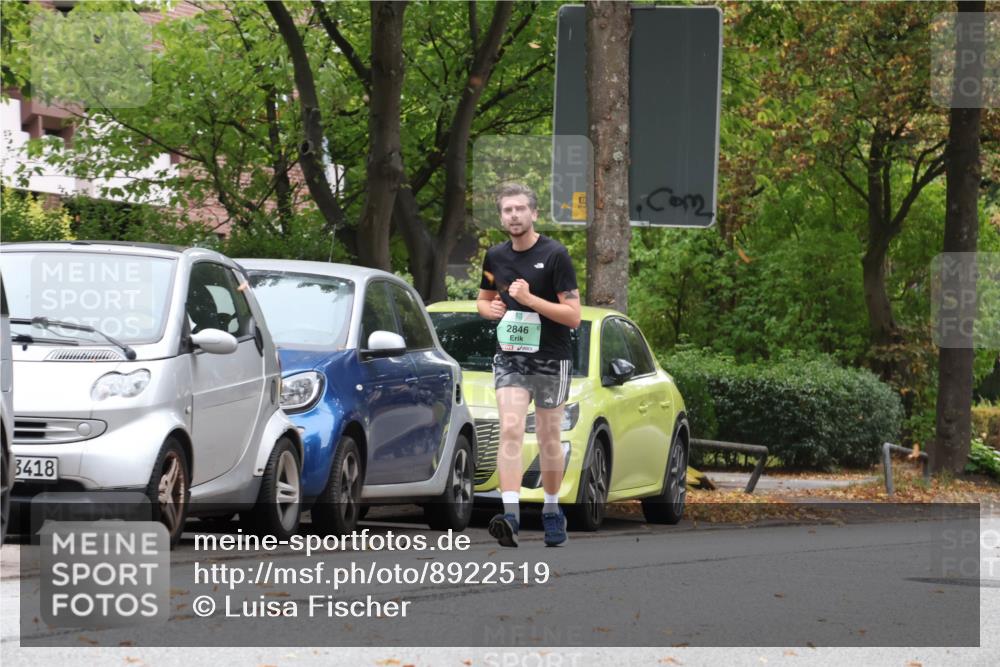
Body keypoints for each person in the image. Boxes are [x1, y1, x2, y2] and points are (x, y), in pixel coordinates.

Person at [477, 182, 581, 547]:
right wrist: (488, 309)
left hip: (552, 359)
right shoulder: (495, 257)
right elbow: (484, 298)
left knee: (549, 437)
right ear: (501, 216)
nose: (514, 215)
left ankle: (552, 510)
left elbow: (573, 317)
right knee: (510, 429)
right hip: (510, 357)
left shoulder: (555, 255)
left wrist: (530, 299)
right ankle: (509, 514)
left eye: (521, 209)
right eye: (508, 210)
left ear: (534, 213)